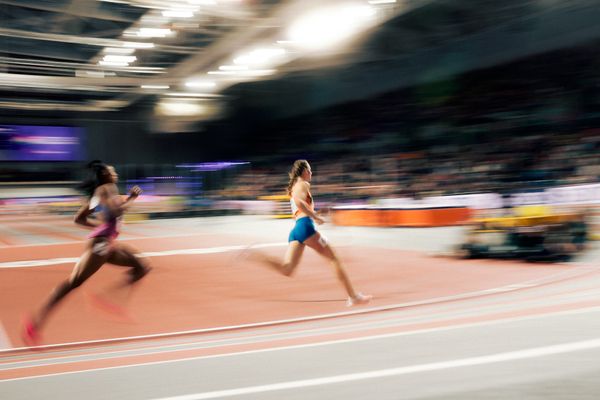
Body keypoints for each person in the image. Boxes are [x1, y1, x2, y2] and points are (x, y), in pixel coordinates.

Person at [22, 161, 151, 345]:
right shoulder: (107, 188)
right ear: (105, 175)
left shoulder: (100, 193)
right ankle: (35, 322)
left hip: (106, 242)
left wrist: (100, 225)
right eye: (111, 170)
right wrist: (130, 198)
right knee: (72, 283)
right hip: (100, 244)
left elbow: (79, 219)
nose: (115, 172)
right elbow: (114, 212)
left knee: (142, 266)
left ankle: (106, 298)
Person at [252, 159, 372, 307]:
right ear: (303, 171)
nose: (311, 173)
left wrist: (318, 213)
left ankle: (255, 255)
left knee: (287, 269)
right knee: (334, 259)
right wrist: (316, 216)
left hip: (297, 230)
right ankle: (353, 297)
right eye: (309, 170)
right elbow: (299, 202)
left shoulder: (296, 186)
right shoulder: (303, 184)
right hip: (306, 227)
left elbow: (301, 209)